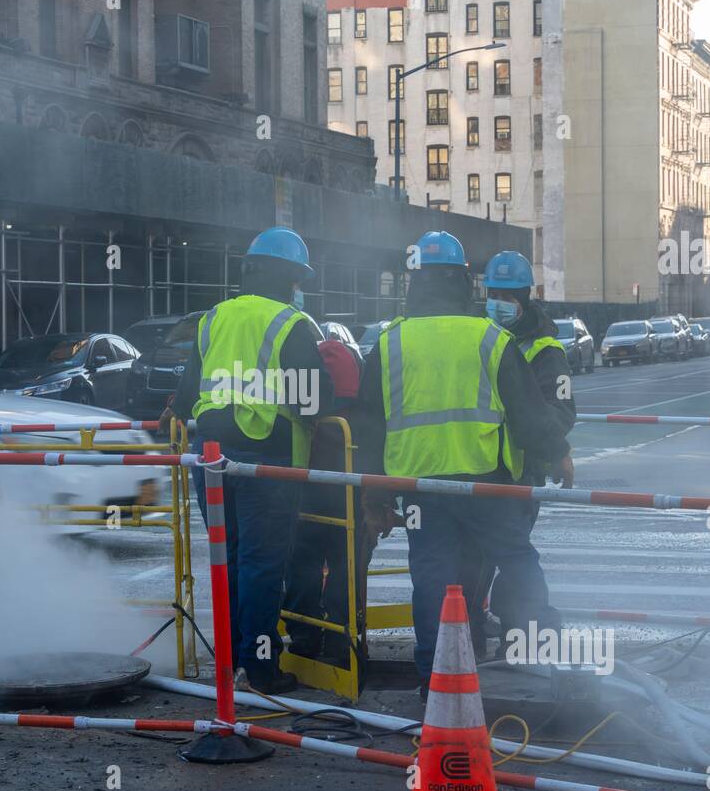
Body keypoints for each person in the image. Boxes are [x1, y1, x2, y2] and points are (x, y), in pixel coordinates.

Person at [354, 232, 572, 696]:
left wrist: (374, 495)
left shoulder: (391, 341)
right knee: (517, 562)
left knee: (432, 579)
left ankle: (436, 678)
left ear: (415, 282)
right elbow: (530, 416)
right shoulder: (489, 338)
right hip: (486, 485)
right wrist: (558, 453)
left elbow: (368, 428)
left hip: (420, 490)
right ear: (463, 282)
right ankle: (546, 655)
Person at [162, 227, 333, 694]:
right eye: (297, 278)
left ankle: (234, 658)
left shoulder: (213, 317)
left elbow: (189, 389)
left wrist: (178, 413)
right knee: (262, 563)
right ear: (288, 276)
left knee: (230, 559)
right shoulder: (290, 323)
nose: (298, 288)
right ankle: (260, 669)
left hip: (210, 455)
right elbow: (313, 399)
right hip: (266, 456)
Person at [477, 250, 577, 656]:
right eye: (493, 293)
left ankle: (527, 633)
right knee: (486, 555)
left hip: (518, 472)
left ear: (525, 297)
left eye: (508, 296)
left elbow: (560, 411)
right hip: (478, 465)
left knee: (512, 556)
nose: (499, 303)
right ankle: (489, 623)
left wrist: (551, 447)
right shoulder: (478, 334)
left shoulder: (545, 350)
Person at [282, 336, 365, 670]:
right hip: (347, 493)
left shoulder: (306, 408)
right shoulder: (354, 414)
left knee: (301, 564)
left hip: (304, 490)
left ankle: (304, 639)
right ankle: (341, 639)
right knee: (347, 566)